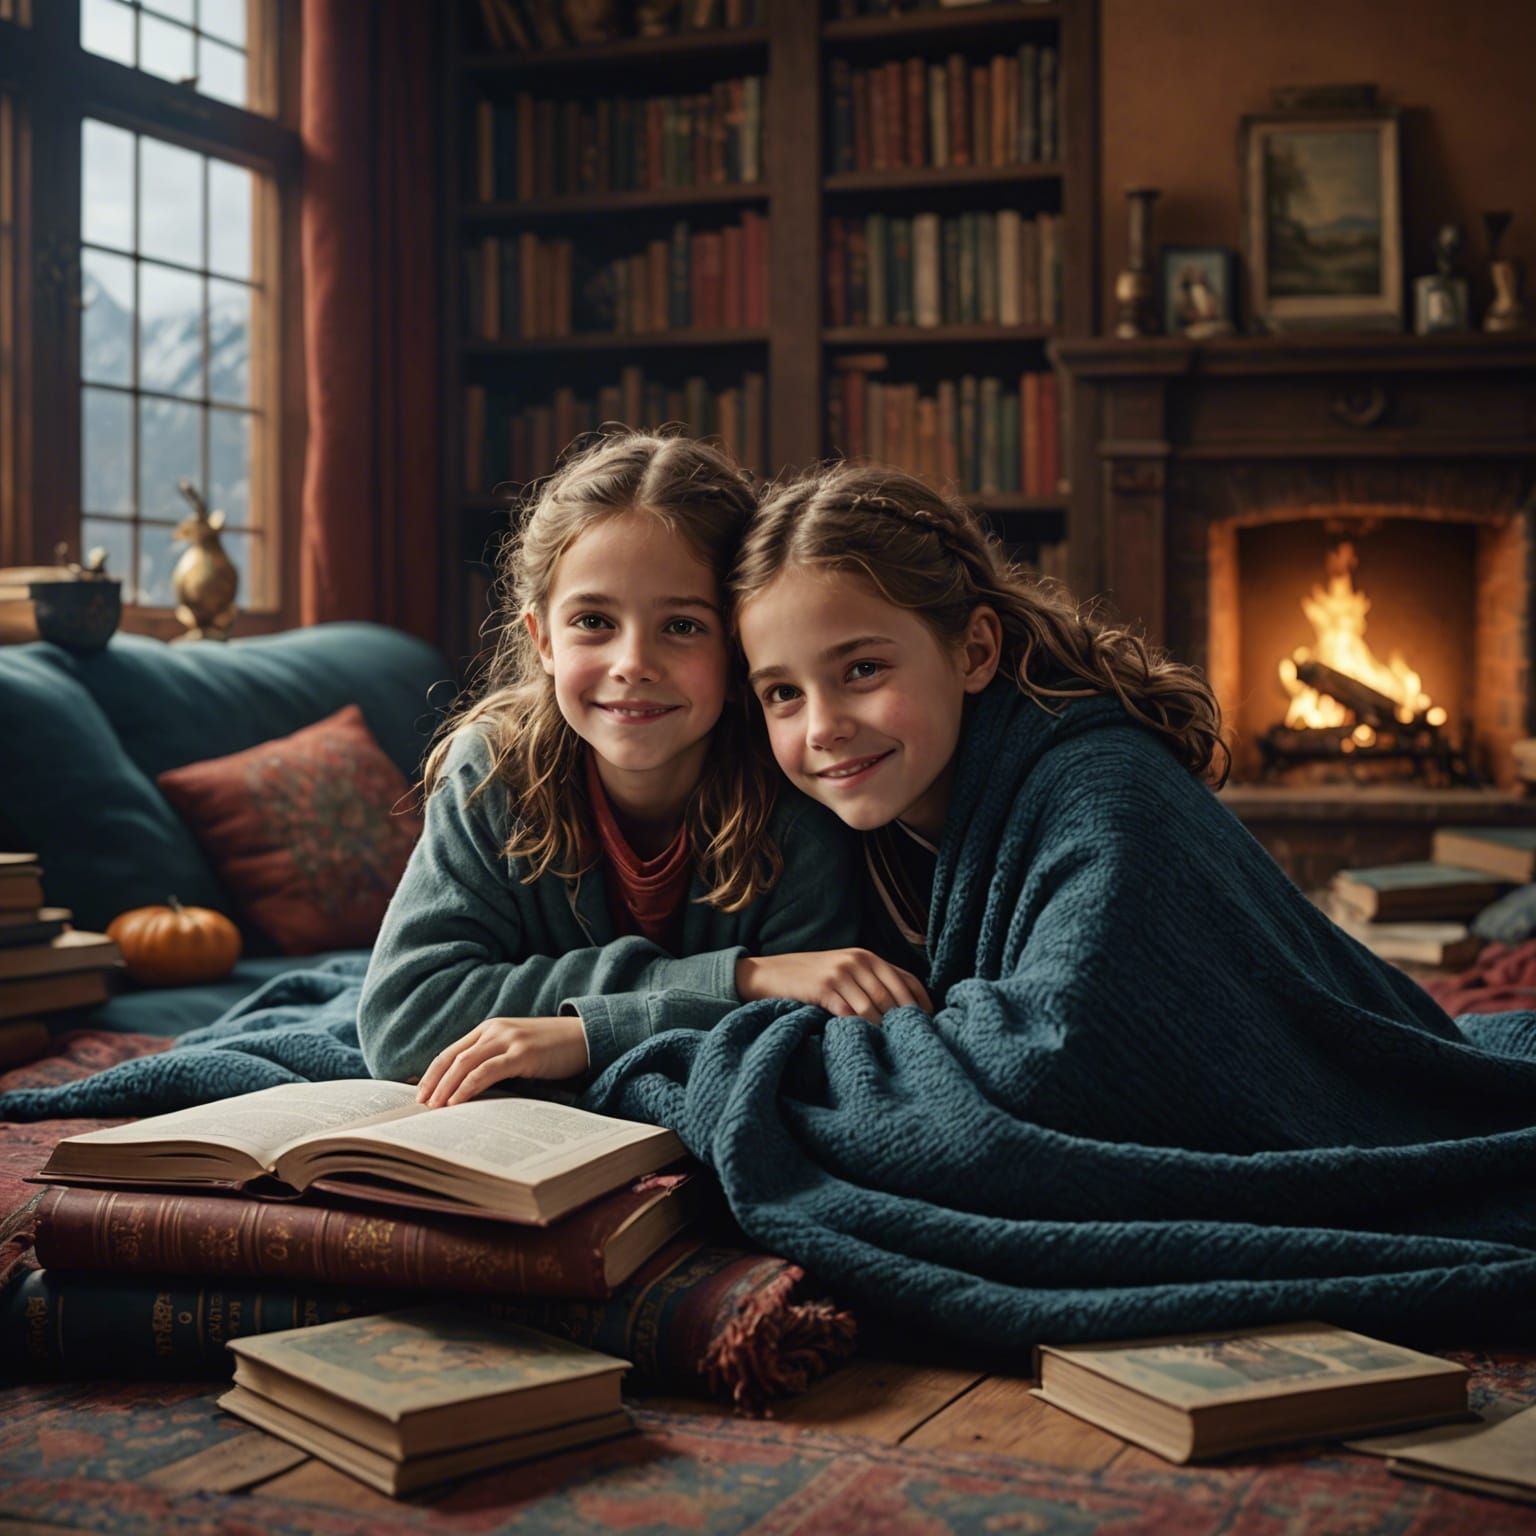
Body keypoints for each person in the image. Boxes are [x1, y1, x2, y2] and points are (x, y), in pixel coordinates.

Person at [578, 459, 1536, 1357]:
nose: (823, 726)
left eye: (862, 669)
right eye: (782, 692)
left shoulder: (1102, 792)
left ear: (976, 647)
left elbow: (1045, 1063)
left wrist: (653, 1048)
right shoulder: (871, 811)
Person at [358, 432, 929, 1105]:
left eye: (682, 626)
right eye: (595, 621)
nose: (633, 663)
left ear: (741, 641)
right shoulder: (494, 770)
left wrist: (582, 1032)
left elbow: (807, 1026)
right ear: (541, 639)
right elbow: (403, 1022)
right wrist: (740, 980)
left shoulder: (791, 785)